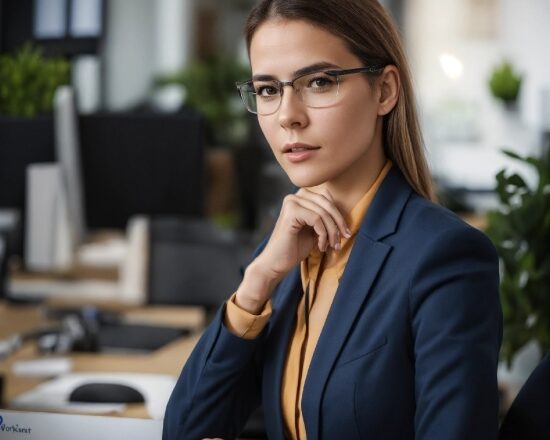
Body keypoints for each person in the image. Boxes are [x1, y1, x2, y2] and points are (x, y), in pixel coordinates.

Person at [163, 0, 502, 439]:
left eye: (319, 82)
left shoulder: (446, 258)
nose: (288, 116)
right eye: (268, 90)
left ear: (384, 91)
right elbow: (185, 429)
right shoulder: (284, 252)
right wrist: (259, 278)